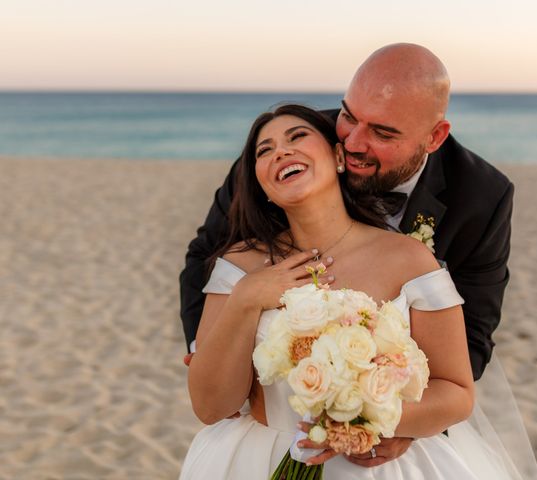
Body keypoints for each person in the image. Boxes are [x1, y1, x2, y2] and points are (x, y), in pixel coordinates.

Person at [180, 104, 515, 479]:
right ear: (262, 185)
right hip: (256, 459)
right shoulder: (238, 268)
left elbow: (457, 392)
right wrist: (246, 299)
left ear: (340, 157)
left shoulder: (409, 259)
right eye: (264, 150)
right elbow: (209, 408)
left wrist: (371, 420)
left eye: (297, 137)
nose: (281, 152)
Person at [180, 43, 513, 385]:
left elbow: (472, 335)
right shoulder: (287, 153)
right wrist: (208, 352)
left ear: (435, 137)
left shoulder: (483, 196)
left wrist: (389, 416)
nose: (352, 142)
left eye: (382, 132)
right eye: (349, 116)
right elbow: (208, 255)